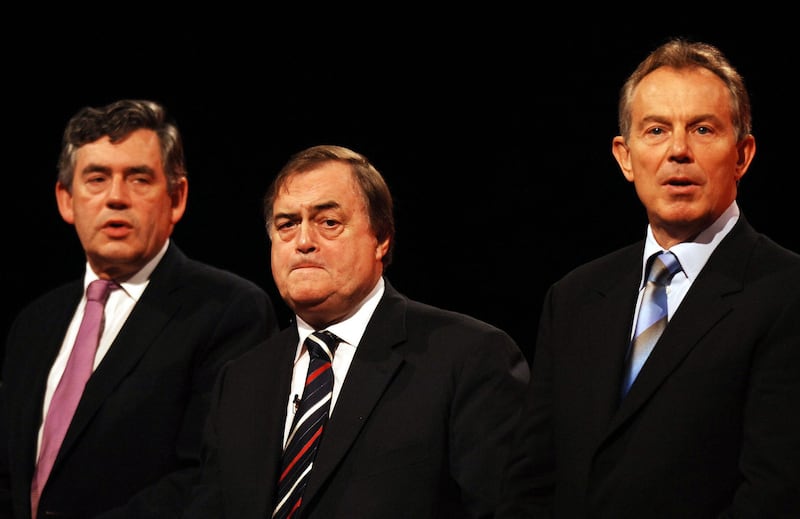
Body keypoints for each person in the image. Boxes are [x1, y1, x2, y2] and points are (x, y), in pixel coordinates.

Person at [497, 38, 800, 518]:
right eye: (656, 130)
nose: (678, 150)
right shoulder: (574, 297)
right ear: (625, 156)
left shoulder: (786, 293)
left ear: (742, 154)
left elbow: (775, 494)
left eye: (702, 129)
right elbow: (533, 480)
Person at [183, 144, 530, 518]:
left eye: (328, 222)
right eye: (287, 224)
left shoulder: (468, 357)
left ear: (381, 239)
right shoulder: (240, 380)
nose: (303, 242)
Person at [0, 99, 280, 518]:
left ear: (177, 197)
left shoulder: (230, 311)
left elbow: (211, 478)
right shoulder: (34, 323)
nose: (116, 197)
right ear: (65, 199)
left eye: (139, 178)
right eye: (96, 178)